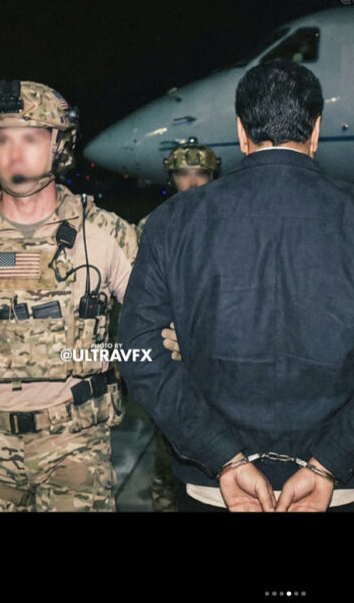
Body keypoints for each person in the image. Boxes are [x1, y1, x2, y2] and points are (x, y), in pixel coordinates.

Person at [118, 59, 354, 512]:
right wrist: (330, 462)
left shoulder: (174, 221)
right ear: (316, 129)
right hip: (336, 488)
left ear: (241, 131)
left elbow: (139, 352)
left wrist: (221, 456)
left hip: (220, 487)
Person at [0, 80, 137, 511]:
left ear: (59, 145)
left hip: (74, 447)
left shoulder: (105, 233)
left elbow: (160, 328)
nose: (14, 153)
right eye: (2, 138)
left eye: (30, 138)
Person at [137, 137, 221, 512]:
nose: (192, 182)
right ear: (172, 178)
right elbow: (136, 300)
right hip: (169, 360)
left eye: (201, 173)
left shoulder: (230, 225)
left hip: (219, 361)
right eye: (183, 174)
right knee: (167, 451)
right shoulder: (152, 227)